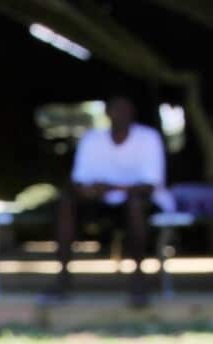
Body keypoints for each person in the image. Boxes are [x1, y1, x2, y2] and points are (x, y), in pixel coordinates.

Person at [52, 96, 174, 306]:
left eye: (126, 110)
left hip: (143, 204)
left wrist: (115, 188)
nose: (122, 115)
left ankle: (138, 279)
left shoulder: (148, 138)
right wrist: (94, 191)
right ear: (108, 114)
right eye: (117, 110)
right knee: (66, 203)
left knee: (135, 204)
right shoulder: (92, 140)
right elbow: (79, 182)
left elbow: (150, 185)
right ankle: (62, 277)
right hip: (100, 205)